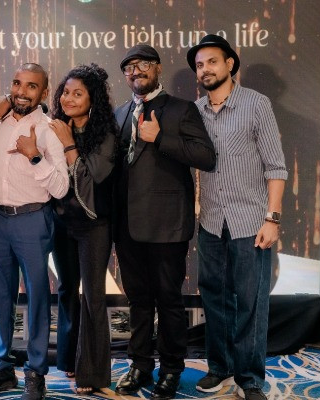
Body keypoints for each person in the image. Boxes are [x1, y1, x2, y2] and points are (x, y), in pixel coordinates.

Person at [186, 34, 287, 400]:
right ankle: (220, 367)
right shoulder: (194, 111)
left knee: (250, 301)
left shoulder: (256, 104)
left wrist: (272, 218)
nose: (205, 69)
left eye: (212, 61)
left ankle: (250, 378)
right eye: (199, 65)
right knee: (214, 298)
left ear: (229, 64)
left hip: (251, 222)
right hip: (211, 222)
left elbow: (276, 166)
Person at [113, 44, 216, 400]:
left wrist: (160, 138)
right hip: (126, 226)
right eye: (129, 67)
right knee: (138, 300)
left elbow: (206, 156)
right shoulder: (121, 112)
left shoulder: (182, 109)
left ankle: (172, 369)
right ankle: (139, 364)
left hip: (167, 224)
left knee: (169, 300)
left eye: (143, 64)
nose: (135, 71)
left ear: (158, 68)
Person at [0, 63, 69, 400]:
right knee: (1, 297)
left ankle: (36, 372)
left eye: (31, 86)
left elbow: (61, 187)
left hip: (33, 218)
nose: (21, 92)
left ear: (44, 92)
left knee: (38, 298)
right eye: (17, 83)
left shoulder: (48, 130)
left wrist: (34, 156)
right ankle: (1, 369)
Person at [48, 63, 118, 394]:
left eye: (78, 94)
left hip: (94, 224)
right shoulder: (54, 127)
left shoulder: (105, 135)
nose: (69, 99)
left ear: (93, 101)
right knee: (66, 291)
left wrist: (67, 144)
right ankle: (68, 361)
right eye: (65, 92)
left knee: (92, 296)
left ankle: (92, 374)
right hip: (61, 222)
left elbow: (91, 179)